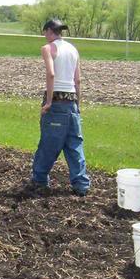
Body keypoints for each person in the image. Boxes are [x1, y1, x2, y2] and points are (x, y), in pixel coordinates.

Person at [31, 19, 90, 196]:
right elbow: (78, 80)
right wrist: (77, 104)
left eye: (45, 32)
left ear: (49, 31)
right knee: (74, 144)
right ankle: (81, 185)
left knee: (49, 143)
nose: (44, 36)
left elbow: (51, 74)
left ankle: (39, 180)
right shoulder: (73, 49)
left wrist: (49, 102)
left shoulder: (48, 48)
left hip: (56, 103)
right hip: (71, 102)